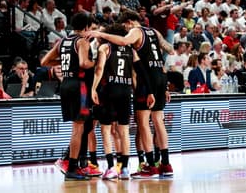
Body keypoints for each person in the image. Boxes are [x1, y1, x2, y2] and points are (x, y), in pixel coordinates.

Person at [87, 10, 175, 178]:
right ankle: (165, 163)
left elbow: (123, 41)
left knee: (143, 123)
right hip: (160, 76)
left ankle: (150, 165)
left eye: (126, 27)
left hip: (145, 78)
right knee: (158, 120)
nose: (126, 30)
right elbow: (169, 50)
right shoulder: (154, 31)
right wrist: (163, 86)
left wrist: (101, 34)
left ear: (128, 22)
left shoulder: (135, 31)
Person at [91, 23, 154, 180]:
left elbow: (99, 69)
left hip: (109, 91)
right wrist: (139, 90)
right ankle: (125, 169)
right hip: (125, 92)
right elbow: (136, 73)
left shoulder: (105, 48)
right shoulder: (131, 51)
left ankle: (111, 168)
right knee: (124, 131)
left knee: (106, 131)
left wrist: (93, 88)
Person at [41, 12, 95, 181]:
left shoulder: (62, 41)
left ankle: (73, 163)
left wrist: (64, 62)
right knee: (78, 128)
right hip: (79, 86)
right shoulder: (82, 42)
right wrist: (99, 60)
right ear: (86, 27)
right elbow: (83, 63)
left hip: (65, 85)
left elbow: (44, 62)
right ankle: (71, 167)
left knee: (80, 127)